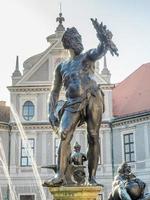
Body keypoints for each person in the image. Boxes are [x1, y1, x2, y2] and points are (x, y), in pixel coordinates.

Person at [47, 19, 118, 186]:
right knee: (64, 134)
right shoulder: (61, 67)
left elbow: (99, 51)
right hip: (72, 102)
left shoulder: (87, 56)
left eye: (79, 38)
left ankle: (92, 178)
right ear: (68, 43)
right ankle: (60, 175)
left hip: (93, 97)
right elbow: (54, 90)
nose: (79, 42)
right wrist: (51, 111)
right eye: (75, 39)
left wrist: (103, 41)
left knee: (93, 136)